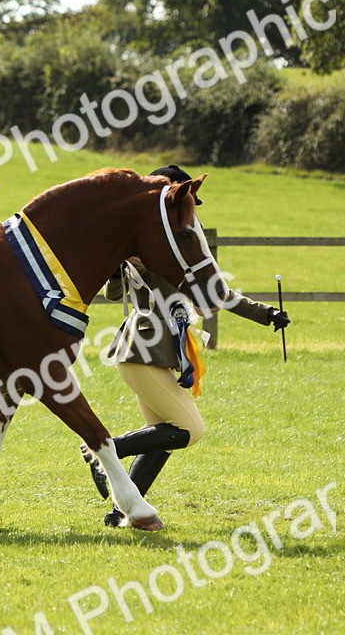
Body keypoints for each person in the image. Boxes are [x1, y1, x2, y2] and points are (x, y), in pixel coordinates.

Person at [82, 165, 290, 527]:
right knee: (189, 430)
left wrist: (266, 313)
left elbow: (217, 293)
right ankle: (104, 450)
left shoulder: (175, 249)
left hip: (154, 353)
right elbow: (114, 293)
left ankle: (122, 512)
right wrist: (120, 266)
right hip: (142, 350)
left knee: (161, 437)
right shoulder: (150, 248)